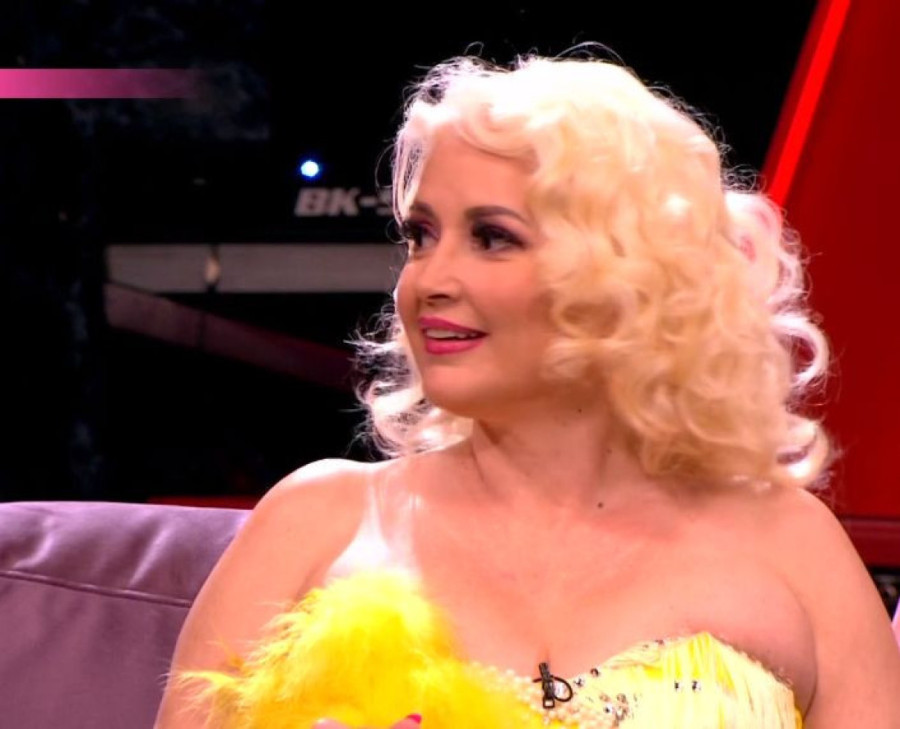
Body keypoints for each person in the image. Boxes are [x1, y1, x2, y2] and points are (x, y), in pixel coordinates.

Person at [153, 51, 900, 728]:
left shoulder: (794, 548)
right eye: (421, 235)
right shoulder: (316, 520)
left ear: (629, 277)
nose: (430, 280)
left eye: (493, 237)